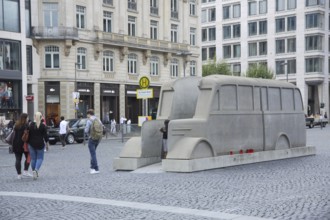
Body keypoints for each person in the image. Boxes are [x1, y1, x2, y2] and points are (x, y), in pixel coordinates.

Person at [28, 112, 49, 180]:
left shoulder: (30, 125)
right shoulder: (42, 126)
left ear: (34, 117)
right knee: (40, 158)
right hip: (40, 143)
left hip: (31, 143)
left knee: (33, 159)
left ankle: (34, 171)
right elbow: (45, 136)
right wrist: (47, 143)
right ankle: (36, 170)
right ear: (41, 117)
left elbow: (28, 134)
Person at [12, 113, 32, 179]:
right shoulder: (26, 125)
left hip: (16, 143)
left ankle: (19, 174)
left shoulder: (16, 125)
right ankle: (25, 171)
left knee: (18, 159)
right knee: (28, 157)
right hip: (24, 144)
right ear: (26, 118)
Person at [84, 109, 103, 174]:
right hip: (98, 138)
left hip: (92, 138)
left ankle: (96, 168)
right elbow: (102, 127)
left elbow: (86, 130)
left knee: (93, 154)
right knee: (93, 153)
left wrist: (86, 131)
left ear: (89, 114)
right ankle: (92, 168)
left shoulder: (89, 120)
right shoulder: (98, 119)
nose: (87, 115)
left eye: (87, 114)